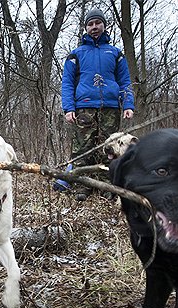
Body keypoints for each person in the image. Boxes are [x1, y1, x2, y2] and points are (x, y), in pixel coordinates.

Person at [61, 8, 135, 201]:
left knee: (108, 148)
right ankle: (82, 186)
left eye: (97, 23)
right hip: (83, 107)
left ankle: (105, 185)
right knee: (82, 148)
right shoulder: (76, 54)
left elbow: (125, 81)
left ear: (104, 25)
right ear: (86, 28)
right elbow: (67, 83)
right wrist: (69, 108)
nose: (94, 27)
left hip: (110, 107)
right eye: (90, 24)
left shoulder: (115, 53)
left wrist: (128, 104)